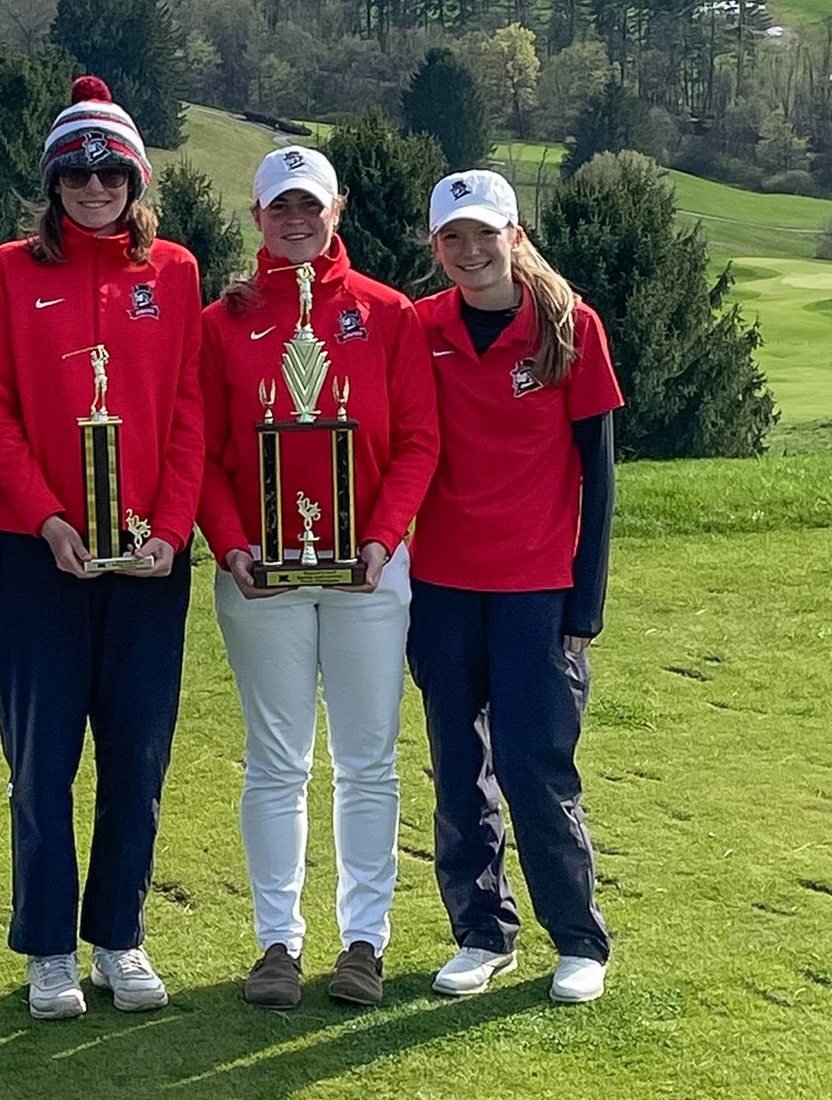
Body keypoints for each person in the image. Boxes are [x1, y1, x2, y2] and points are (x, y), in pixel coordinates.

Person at [0, 76, 206, 1021]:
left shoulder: (174, 272)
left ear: (137, 179)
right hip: (41, 552)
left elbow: (189, 407)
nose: (94, 185)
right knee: (43, 758)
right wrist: (45, 514)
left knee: (138, 755)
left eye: (111, 171)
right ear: (54, 181)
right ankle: (48, 951)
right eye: (76, 171)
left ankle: (118, 937)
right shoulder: (9, 270)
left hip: (149, 558)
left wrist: (175, 526)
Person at [197, 146, 440, 1009]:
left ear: (337, 207)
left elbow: (417, 441)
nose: (296, 221)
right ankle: (276, 944)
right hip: (259, 573)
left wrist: (381, 538)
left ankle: (364, 941)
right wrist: (229, 547)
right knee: (276, 760)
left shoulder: (388, 313)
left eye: (311, 205)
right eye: (279, 208)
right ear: (257, 217)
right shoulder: (222, 320)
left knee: (368, 760)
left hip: (367, 572)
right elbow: (209, 454)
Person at [407, 169, 624, 1005]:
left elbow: (599, 481)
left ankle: (578, 939)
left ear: (516, 237)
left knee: (537, 767)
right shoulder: (419, 327)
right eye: (452, 239)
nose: (470, 252)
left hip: (539, 588)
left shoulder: (571, 328)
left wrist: (587, 605)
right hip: (444, 585)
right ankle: (481, 932)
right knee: (459, 767)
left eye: (484, 235)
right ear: (437, 249)